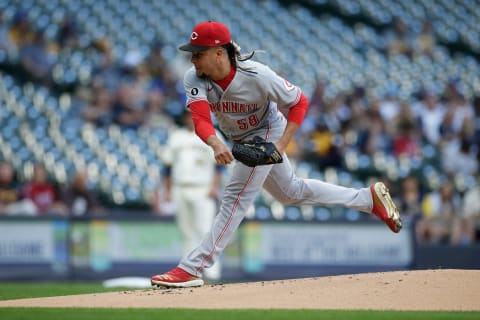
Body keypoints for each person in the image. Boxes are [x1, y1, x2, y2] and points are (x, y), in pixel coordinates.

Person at [151, 21, 402, 288]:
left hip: (267, 130)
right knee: (291, 193)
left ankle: (193, 267)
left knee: (235, 199)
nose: (193, 59)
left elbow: (299, 102)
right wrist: (214, 143)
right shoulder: (194, 77)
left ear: (219, 53)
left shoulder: (258, 75)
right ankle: (367, 199)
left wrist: (280, 146)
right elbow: (200, 120)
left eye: (198, 53)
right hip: (237, 138)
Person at [155, 110, 225, 282]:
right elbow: (167, 167)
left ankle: (212, 272)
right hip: (180, 187)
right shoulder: (176, 137)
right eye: (188, 116)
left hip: (203, 188)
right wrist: (168, 190)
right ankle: (187, 271)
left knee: (206, 231)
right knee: (186, 231)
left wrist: (214, 187)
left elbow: (219, 165)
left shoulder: (213, 135)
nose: (190, 119)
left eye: (193, 116)